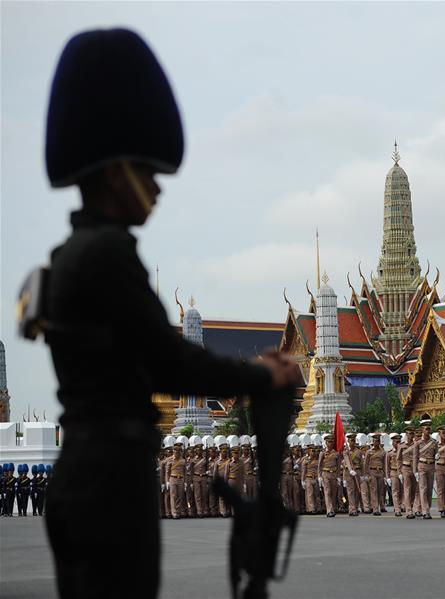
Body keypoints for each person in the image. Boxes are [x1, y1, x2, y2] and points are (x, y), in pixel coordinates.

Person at [36, 28, 302, 599]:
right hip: (108, 480)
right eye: (146, 171)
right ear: (114, 171)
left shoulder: (72, 256)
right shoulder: (105, 255)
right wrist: (260, 376)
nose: (157, 187)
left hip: (96, 471)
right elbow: (167, 360)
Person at [318, 434, 341, 517]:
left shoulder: (336, 454)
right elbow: (319, 466)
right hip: (325, 474)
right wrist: (319, 476)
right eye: (328, 442)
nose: (330, 444)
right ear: (326, 443)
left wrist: (338, 477)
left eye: (331, 442)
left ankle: (333, 509)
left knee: (333, 493)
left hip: (334, 474)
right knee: (327, 492)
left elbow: (338, 466)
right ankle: (329, 510)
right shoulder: (322, 453)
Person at [364, 433, 386, 515]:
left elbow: (384, 464)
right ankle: (375, 509)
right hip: (372, 472)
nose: (377, 443)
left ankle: (377, 506)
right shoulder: (369, 452)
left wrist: (385, 475)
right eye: (375, 441)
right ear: (373, 442)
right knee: (374, 490)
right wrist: (366, 475)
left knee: (379, 491)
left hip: (380, 472)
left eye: (378, 441)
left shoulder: (383, 452)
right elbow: (366, 464)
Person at [342, 433, 364, 516]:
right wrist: (350, 470)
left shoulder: (359, 451)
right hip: (349, 472)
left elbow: (362, 464)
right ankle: (352, 509)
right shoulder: (346, 451)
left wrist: (362, 475)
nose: (353, 442)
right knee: (350, 491)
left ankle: (355, 507)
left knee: (357, 491)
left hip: (357, 471)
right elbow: (347, 461)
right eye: (351, 440)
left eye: (354, 440)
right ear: (348, 441)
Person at [386, 433, 404, 516]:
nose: (398, 443)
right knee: (395, 491)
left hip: (402, 472)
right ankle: (397, 509)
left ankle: (400, 505)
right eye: (396, 442)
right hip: (393, 472)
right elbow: (387, 466)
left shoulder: (404, 451)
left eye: (399, 442)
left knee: (402, 491)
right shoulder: (389, 453)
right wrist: (387, 477)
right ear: (393, 443)